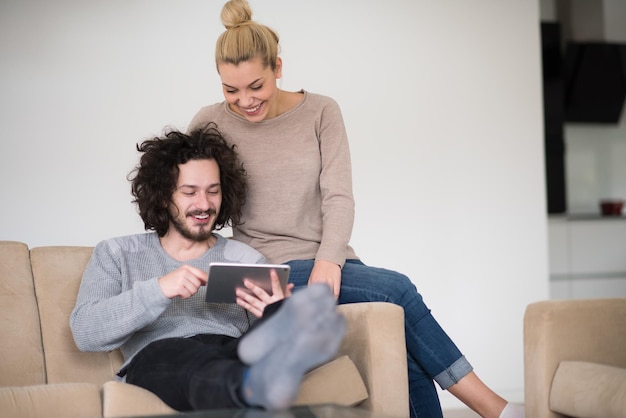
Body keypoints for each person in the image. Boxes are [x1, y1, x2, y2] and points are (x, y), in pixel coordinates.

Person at [187, 1, 526, 417]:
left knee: (402, 346)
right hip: (264, 273)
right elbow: (188, 194)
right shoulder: (210, 122)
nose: (244, 101)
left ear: (277, 66)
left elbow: (338, 196)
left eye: (255, 86)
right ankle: (497, 409)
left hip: (333, 263)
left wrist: (329, 261)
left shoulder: (320, 111)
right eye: (230, 90)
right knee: (397, 289)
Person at [69, 125, 346, 412]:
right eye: (190, 193)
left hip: (232, 351)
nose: (204, 205)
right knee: (176, 354)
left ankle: (276, 350)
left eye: (213, 192)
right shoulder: (117, 253)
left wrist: (273, 310)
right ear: (163, 196)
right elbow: (86, 332)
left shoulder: (244, 258)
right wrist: (159, 289)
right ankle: (251, 383)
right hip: (161, 357)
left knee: (258, 336)